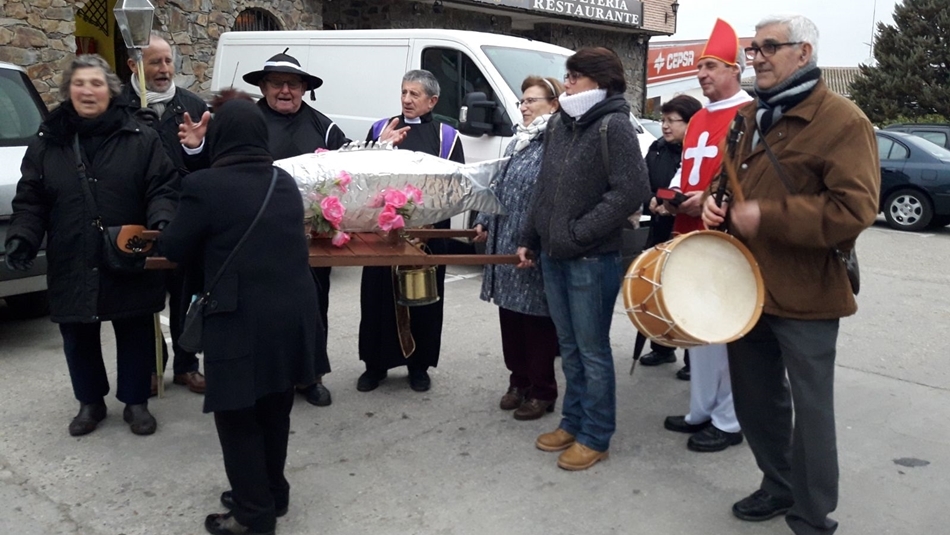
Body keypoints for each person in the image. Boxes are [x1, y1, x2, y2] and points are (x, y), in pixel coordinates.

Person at [702, 14, 879, 534]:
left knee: (811, 412)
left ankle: (811, 511)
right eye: (752, 47)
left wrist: (768, 215)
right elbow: (725, 179)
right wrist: (715, 203)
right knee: (757, 402)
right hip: (745, 288)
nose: (755, 56)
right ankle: (777, 484)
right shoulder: (749, 116)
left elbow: (854, 210)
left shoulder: (843, 121)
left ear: (804, 53)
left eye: (768, 47)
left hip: (807, 292)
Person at [160, 94, 321, 535]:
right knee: (275, 407)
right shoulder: (284, 182)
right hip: (293, 316)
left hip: (239, 318)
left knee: (237, 417)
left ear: (221, 136)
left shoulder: (204, 187)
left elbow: (174, 247)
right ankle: (273, 491)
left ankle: (253, 514)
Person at [3, 54, 177, 436]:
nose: (87, 91)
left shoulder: (139, 136)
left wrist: (161, 222)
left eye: (96, 83)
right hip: (72, 251)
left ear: (110, 92)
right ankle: (90, 402)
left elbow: (161, 186)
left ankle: (135, 401)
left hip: (126, 248)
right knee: (77, 331)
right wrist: (23, 237)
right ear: (67, 90)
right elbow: (32, 197)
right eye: (79, 83)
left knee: (133, 327)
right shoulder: (49, 141)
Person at [182, 50, 347, 407]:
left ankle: (310, 376)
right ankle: (261, 379)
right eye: (276, 83)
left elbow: (349, 176)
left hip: (308, 241)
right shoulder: (245, 121)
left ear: (304, 88)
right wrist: (196, 150)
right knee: (250, 312)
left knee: (313, 308)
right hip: (246, 242)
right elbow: (209, 172)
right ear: (262, 86)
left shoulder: (326, 127)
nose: (285, 90)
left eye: (293, 84)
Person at [517, 48, 650, 470]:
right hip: (555, 255)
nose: (567, 83)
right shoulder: (561, 123)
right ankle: (572, 422)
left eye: (575, 76)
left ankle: (596, 434)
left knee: (593, 352)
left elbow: (631, 191)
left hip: (593, 259)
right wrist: (530, 235)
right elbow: (545, 186)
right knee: (570, 348)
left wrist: (578, 233)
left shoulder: (614, 126)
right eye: (568, 75)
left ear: (599, 80)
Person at [658, 19, 752, 454]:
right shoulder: (697, 119)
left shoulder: (749, 114)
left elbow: (751, 176)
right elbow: (685, 167)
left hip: (724, 230)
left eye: (711, 66)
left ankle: (729, 419)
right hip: (688, 227)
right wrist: (675, 195)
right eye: (700, 67)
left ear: (734, 69)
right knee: (696, 325)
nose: (702, 74)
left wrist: (711, 198)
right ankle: (701, 408)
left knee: (727, 327)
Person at [356, 69, 464, 393]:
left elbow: (455, 188)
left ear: (432, 100)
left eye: (414, 94)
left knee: (425, 303)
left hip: (427, 237)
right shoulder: (381, 129)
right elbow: (362, 177)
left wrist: (425, 221)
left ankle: (419, 366)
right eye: (404, 92)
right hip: (382, 235)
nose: (406, 99)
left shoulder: (447, 137)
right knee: (376, 301)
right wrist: (380, 147)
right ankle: (374, 366)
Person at [121, 31, 210, 396]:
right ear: (133, 65)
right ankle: (152, 365)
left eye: (168, 60)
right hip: (137, 214)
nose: (163, 69)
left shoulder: (190, 104)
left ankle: (186, 364)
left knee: (185, 290)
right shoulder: (119, 106)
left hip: (183, 216)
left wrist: (197, 146)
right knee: (144, 296)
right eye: (155, 61)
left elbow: (208, 165)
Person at [473, 75, 564, 421]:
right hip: (503, 240)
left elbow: (547, 199)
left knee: (536, 321)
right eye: (522, 101)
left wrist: (533, 240)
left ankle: (543, 391)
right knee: (509, 317)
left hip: (531, 246)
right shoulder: (518, 142)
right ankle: (518, 382)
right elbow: (498, 184)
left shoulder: (555, 142)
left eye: (532, 101)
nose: (523, 107)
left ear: (553, 105)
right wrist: (483, 216)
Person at [636, 94, 703, 380]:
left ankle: (694, 357)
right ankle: (662, 346)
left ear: (691, 123)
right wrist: (650, 200)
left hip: (687, 229)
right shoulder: (657, 148)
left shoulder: (695, 151)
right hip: (659, 230)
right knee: (657, 292)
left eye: (671, 121)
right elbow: (641, 181)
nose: (664, 126)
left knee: (689, 295)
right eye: (662, 120)